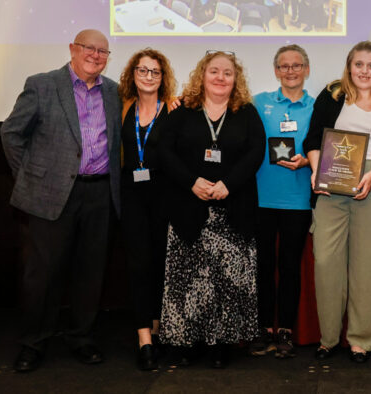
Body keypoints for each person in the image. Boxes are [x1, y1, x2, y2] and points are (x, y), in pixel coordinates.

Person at [2, 29, 121, 372]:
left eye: (103, 51)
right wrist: (30, 177)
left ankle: (81, 338)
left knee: (90, 272)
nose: (96, 55)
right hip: (51, 194)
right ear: (72, 49)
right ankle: (33, 343)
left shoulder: (112, 91)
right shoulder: (42, 84)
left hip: (100, 193)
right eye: (89, 48)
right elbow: (11, 133)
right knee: (43, 274)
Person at [158, 51, 266, 369]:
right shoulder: (183, 110)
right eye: (214, 71)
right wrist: (191, 182)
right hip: (189, 209)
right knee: (188, 280)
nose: (220, 77)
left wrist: (229, 184)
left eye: (227, 73)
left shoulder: (246, 112)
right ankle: (187, 342)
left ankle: (221, 344)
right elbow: (164, 151)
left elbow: (256, 152)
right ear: (202, 75)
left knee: (226, 282)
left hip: (233, 208)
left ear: (236, 79)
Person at [304, 41, 371, 364]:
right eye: (358, 64)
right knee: (325, 263)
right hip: (329, 186)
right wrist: (315, 170)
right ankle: (328, 338)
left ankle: (361, 340)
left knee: (367, 265)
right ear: (349, 66)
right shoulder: (332, 95)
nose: (364, 71)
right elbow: (312, 138)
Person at [249, 45, 314, 359]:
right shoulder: (259, 103)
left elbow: (326, 150)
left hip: (299, 200)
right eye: (284, 66)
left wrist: (309, 162)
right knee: (262, 266)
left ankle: (285, 329)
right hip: (261, 199)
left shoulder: (317, 107)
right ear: (276, 71)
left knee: (290, 267)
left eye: (297, 65)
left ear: (306, 69)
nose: (291, 71)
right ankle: (262, 328)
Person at [117, 48, 177, 371]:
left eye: (155, 72)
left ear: (162, 77)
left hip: (165, 197)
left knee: (161, 264)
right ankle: (144, 340)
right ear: (133, 74)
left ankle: (157, 328)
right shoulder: (124, 107)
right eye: (143, 70)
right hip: (132, 197)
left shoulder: (174, 109)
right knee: (138, 264)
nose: (148, 76)